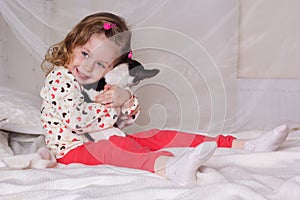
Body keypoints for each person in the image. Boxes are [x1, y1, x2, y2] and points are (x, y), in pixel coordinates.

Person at [40, 12, 289, 186]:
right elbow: (77, 120)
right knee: (114, 150)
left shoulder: (99, 83)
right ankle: (168, 166)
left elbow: (125, 121)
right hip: (73, 150)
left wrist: (125, 98)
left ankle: (242, 145)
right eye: (84, 53)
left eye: (100, 63)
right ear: (72, 44)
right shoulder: (60, 78)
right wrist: (111, 112)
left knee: (157, 134)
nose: (87, 66)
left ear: (111, 67)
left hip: (109, 137)